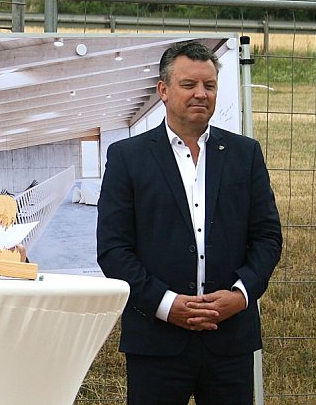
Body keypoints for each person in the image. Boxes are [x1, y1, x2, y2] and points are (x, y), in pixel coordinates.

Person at [96, 41, 283, 405]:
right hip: (156, 339)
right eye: (189, 84)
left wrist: (240, 296)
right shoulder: (127, 157)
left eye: (209, 85)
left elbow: (267, 237)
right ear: (163, 90)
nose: (201, 93)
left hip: (229, 339)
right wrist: (166, 304)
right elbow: (113, 249)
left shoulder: (245, 154)